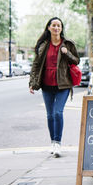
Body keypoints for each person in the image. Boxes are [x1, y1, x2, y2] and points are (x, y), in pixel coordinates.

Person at [29, 17, 80, 158]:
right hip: (47, 84)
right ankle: (52, 142)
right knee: (50, 115)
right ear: (49, 28)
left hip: (63, 84)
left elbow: (76, 60)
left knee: (58, 113)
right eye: (54, 25)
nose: (56, 28)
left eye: (59, 25)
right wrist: (32, 83)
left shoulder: (68, 44)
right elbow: (36, 64)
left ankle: (58, 142)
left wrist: (66, 53)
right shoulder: (43, 45)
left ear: (61, 28)